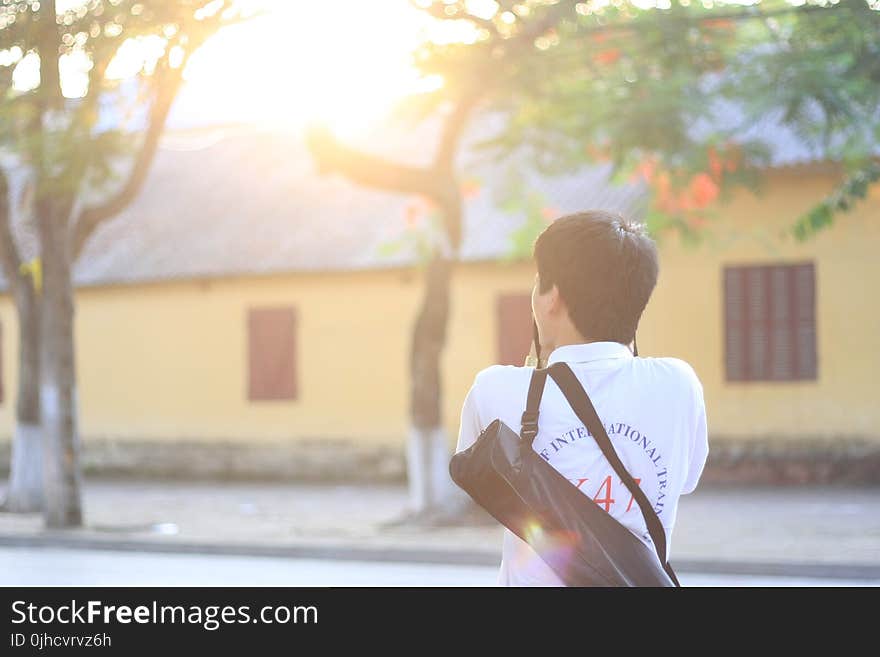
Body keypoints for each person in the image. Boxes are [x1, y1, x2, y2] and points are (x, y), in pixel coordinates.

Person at [455, 210, 709, 586]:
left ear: (552, 297)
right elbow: (685, 480)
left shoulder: (496, 390)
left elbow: (481, 480)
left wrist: (539, 359)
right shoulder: (680, 384)